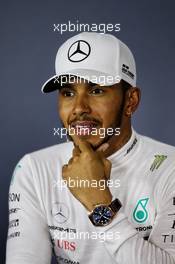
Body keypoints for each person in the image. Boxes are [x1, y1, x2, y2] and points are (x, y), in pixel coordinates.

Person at [6, 32, 175, 264]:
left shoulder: (171, 167)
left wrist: (99, 203)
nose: (78, 108)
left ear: (130, 101)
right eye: (68, 93)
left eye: (96, 91)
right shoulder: (34, 169)